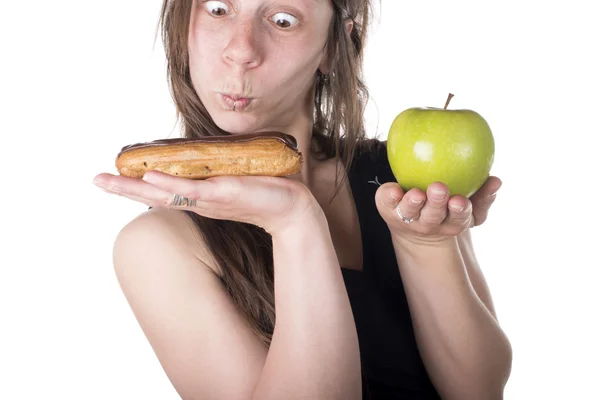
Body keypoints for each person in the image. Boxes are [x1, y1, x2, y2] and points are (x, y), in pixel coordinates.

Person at [93, 0, 513, 398]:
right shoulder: (157, 243)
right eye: (218, 8)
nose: (241, 51)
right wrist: (296, 224)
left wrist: (426, 243)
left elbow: (480, 391)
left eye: (282, 19)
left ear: (334, 46)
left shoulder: (403, 173)